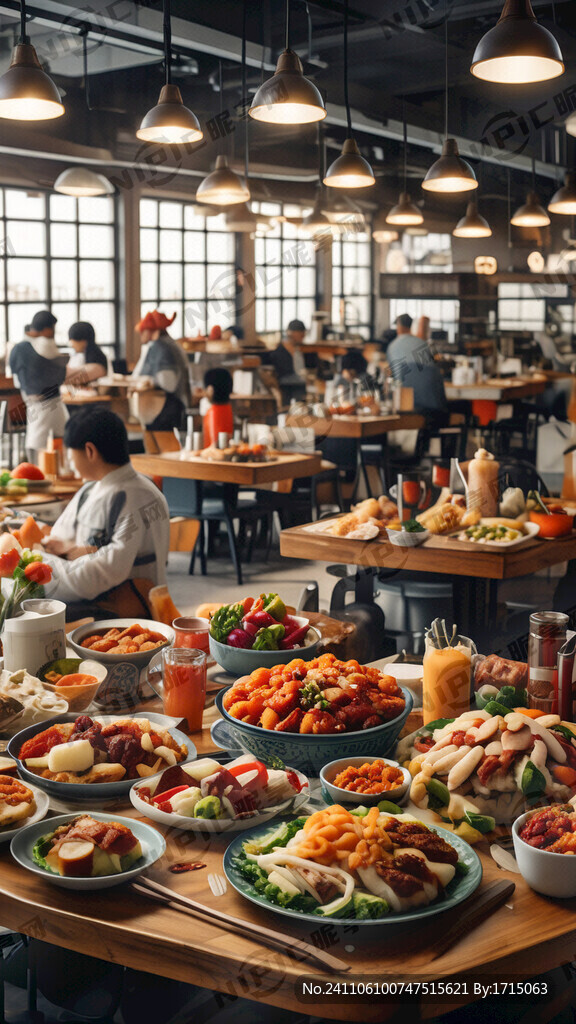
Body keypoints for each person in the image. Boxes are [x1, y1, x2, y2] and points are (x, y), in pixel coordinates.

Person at [41, 408, 169, 618]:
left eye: (70, 454)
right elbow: (56, 540)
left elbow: (107, 571)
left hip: (122, 614)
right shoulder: (90, 490)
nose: (70, 463)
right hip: (91, 596)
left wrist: (40, 572)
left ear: (90, 451)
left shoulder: (137, 497)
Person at [9, 310, 69, 462]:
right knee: (40, 438)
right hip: (45, 399)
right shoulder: (42, 344)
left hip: (34, 398)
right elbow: (61, 368)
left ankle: (47, 471)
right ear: (48, 329)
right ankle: (38, 472)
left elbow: (15, 376)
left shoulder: (17, 348)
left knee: (58, 433)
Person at [386, 313, 449, 428]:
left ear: (399, 327)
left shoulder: (392, 346)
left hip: (407, 404)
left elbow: (393, 377)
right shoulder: (422, 343)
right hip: (434, 404)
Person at [132, 310, 192, 431]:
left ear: (150, 331)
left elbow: (168, 383)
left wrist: (150, 382)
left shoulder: (160, 347)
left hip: (165, 408)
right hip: (175, 405)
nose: (141, 335)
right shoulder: (169, 345)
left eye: (143, 332)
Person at [262, 319, 307, 405]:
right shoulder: (279, 351)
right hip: (284, 386)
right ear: (291, 334)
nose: (303, 337)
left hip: (301, 384)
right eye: (301, 334)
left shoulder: (303, 349)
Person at [202, 367, 234, 447]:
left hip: (211, 456)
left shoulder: (213, 412)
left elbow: (214, 444)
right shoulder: (227, 409)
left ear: (211, 389)